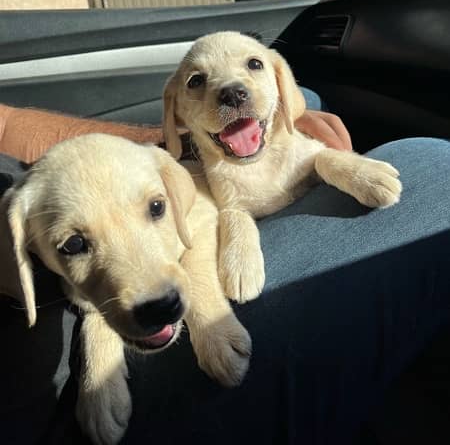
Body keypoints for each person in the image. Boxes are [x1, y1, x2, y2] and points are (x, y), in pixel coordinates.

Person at [1, 91, 449, 445]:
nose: (152, 289)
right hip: (40, 406)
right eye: (76, 244)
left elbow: (4, 123)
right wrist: (102, 343)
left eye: (156, 207)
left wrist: (177, 144)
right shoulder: (21, 216)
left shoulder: (157, 184)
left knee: (301, 101)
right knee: (436, 167)